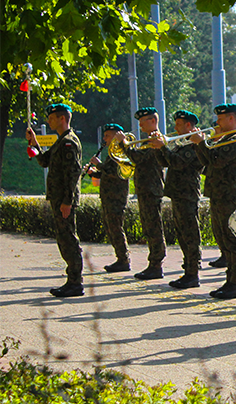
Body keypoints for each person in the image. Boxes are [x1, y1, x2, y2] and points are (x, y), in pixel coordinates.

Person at [192, 103, 236, 299]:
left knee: (233, 240)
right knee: (224, 239)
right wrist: (201, 144)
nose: (217, 122)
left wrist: (201, 143)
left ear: (232, 119)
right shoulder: (224, 139)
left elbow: (215, 161)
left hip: (229, 195)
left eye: (221, 118)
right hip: (219, 194)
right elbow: (207, 165)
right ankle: (230, 281)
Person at [27, 103, 84, 297]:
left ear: (62, 119)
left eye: (51, 118)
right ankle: (72, 280)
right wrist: (35, 143)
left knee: (68, 238)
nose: (48, 121)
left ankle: (76, 282)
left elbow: (73, 173)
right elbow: (44, 161)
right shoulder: (61, 141)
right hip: (59, 198)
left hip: (64, 199)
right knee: (63, 238)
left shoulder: (69, 142)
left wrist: (68, 201)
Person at [150, 110, 204, 288]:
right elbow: (165, 162)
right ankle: (187, 270)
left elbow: (177, 163)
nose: (175, 128)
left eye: (179, 124)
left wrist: (163, 147)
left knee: (190, 234)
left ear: (189, 125)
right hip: (178, 193)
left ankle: (192, 273)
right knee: (182, 234)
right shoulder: (182, 143)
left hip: (187, 194)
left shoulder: (193, 145)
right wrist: (157, 148)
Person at [117, 107, 166, 280]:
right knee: (148, 227)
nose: (140, 124)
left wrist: (124, 145)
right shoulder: (147, 141)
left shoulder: (156, 140)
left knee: (153, 227)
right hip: (145, 189)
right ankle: (153, 263)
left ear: (153, 121)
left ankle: (156, 264)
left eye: (143, 120)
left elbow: (139, 159)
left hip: (152, 189)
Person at [88, 123, 130, 272]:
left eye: (107, 135)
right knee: (110, 228)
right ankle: (120, 258)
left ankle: (123, 259)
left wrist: (99, 165)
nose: (104, 139)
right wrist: (94, 173)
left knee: (116, 228)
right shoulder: (111, 153)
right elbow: (107, 174)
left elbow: (116, 172)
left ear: (115, 136)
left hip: (116, 196)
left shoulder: (121, 152)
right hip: (107, 196)